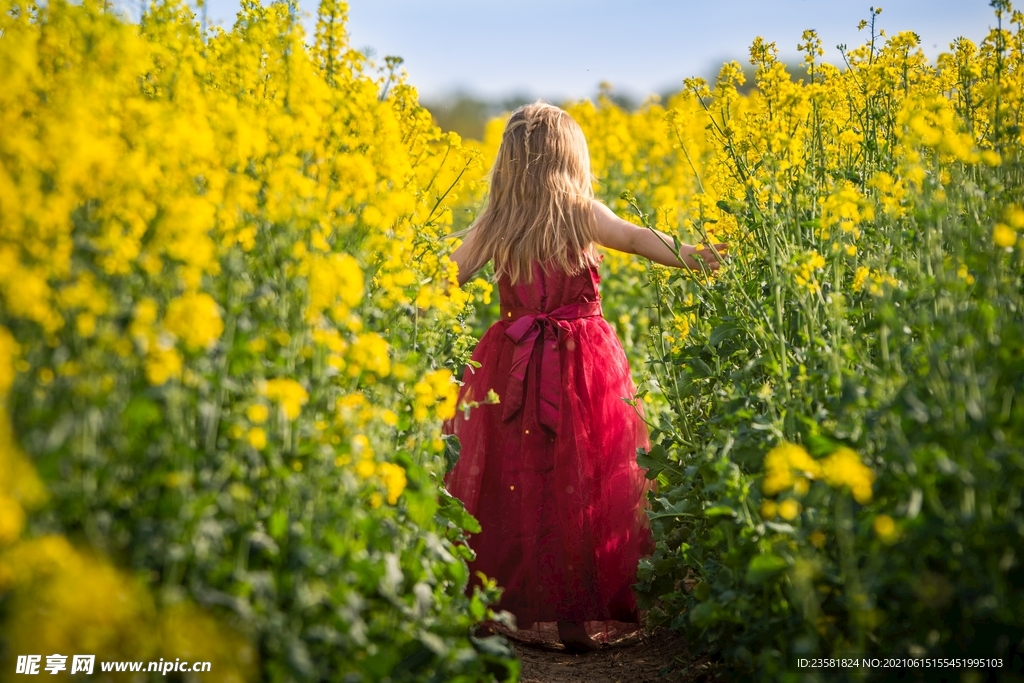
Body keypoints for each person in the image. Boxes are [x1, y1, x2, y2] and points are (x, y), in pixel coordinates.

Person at [444, 101, 726, 652]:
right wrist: (697, 256)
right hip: (582, 362)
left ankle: (509, 606)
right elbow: (639, 237)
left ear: (508, 162)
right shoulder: (579, 210)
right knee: (582, 482)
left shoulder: (497, 218)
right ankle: (577, 615)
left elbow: (448, 274)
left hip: (513, 362)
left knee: (515, 481)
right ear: (571, 158)